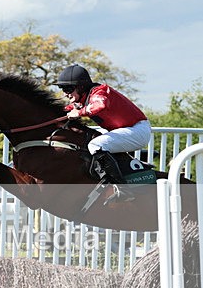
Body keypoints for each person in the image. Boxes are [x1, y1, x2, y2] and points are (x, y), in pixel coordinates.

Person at [55, 64, 151, 193]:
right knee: (87, 139)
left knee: (96, 145)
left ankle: (121, 188)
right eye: (63, 89)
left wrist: (79, 113)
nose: (66, 94)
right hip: (125, 130)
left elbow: (101, 105)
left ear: (81, 87)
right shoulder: (82, 99)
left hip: (137, 130)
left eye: (68, 89)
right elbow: (64, 110)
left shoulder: (99, 92)